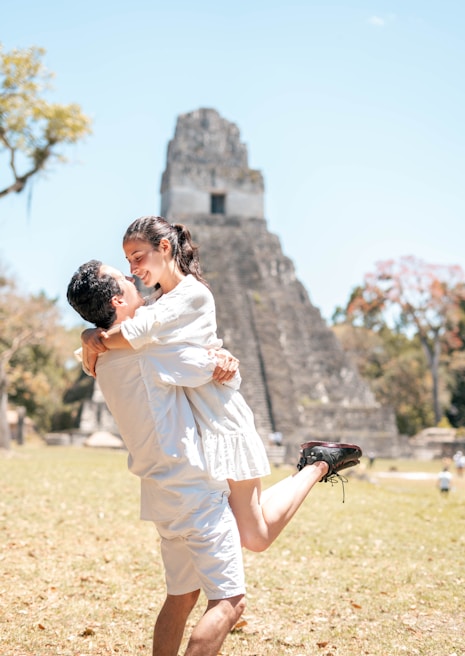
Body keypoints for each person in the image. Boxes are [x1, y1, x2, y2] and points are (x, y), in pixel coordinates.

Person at [79, 215, 362, 552]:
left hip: (220, 419)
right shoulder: (156, 304)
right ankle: (315, 462)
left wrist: (93, 339)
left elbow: (134, 336)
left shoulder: (192, 294)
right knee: (240, 523)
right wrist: (87, 337)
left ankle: (317, 464)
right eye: (127, 261)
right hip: (198, 428)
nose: (133, 269)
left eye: (138, 257)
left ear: (164, 247)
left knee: (254, 537)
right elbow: (104, 356)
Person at [68, 261, 246, 656]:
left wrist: (88, 336)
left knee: (181, 597)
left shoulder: (99, 357)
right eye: (123, 277)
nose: (133, 278)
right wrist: (224, 362)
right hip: (194, 489)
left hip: (160, 493)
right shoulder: (150, 350)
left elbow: (98, 343)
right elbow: (216, 370)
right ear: (117, 299)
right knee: (229, 603)